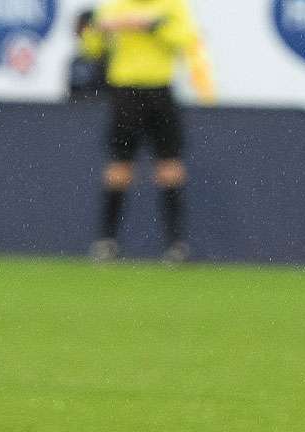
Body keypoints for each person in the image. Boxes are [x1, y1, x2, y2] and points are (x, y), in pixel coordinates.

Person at [81, 0, 206, 263]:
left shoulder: (172, 6)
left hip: (159, 90)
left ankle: (175, 246)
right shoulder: (115, 6)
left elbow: (186, 40)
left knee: (169, 167)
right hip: (125, 92)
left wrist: (151, 25)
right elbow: (91, 48)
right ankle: (106, 242)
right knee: (119, 167)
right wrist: (98, 29)